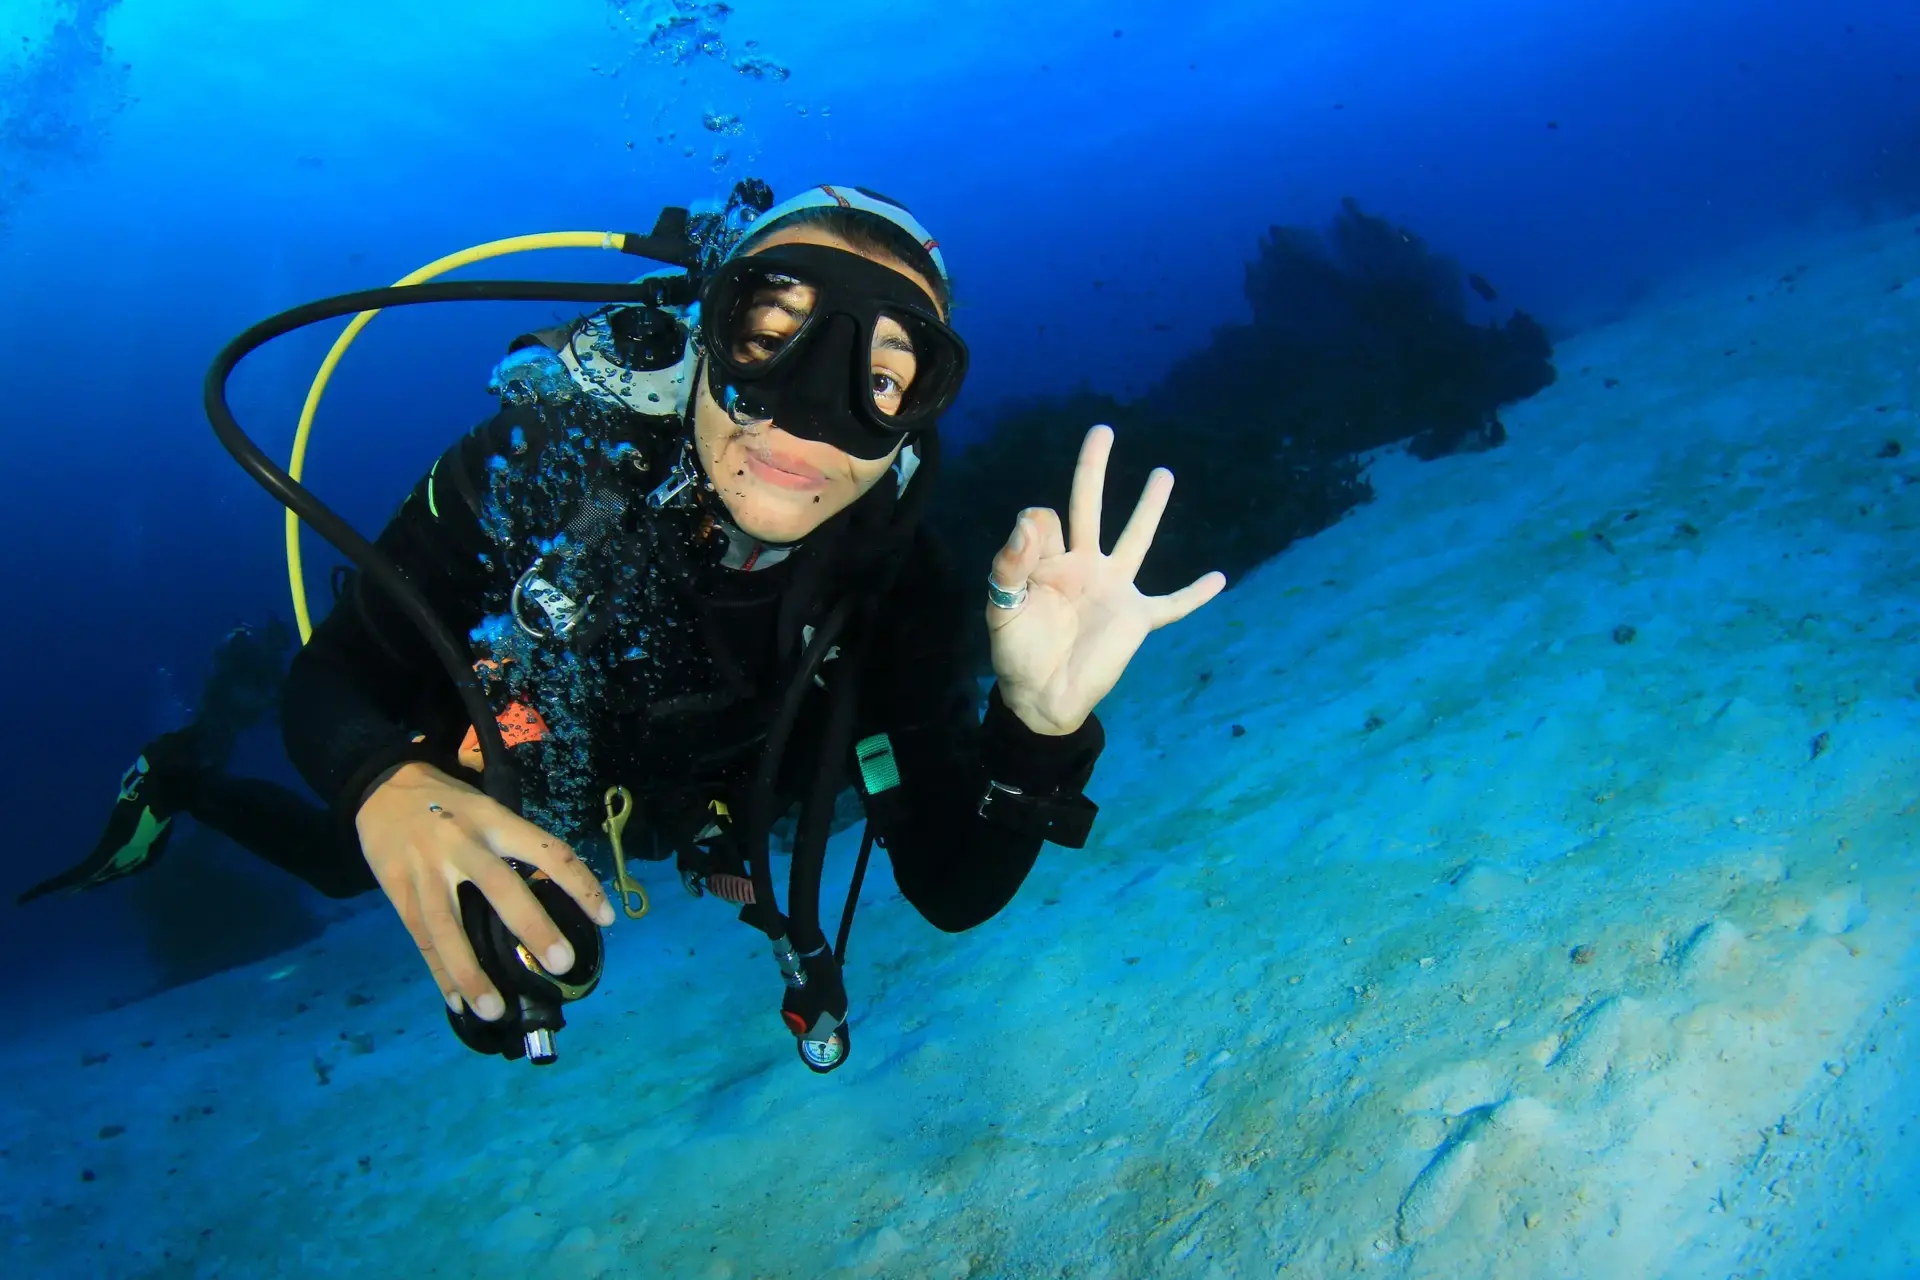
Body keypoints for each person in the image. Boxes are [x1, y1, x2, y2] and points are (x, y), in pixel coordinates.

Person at [33, 183, 1225, 1068]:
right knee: (361, 854)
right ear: (704, 336)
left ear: (914, 418)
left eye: (884, 371)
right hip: (532, 740)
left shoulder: (896, 578)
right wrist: (379, 781)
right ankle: (180, 776)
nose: (809, 410)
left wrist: (1034, 727)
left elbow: (953, 886)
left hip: (711, 797)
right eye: (771, 332)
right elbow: (337, 673)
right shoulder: (544, 467)